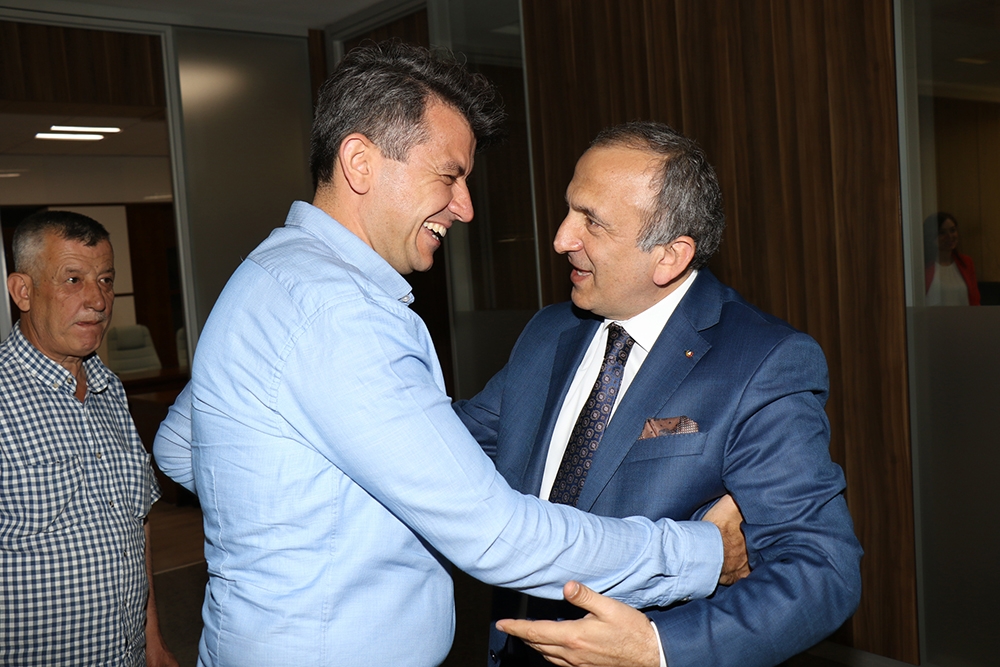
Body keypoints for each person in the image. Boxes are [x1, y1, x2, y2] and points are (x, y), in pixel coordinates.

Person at [152, 42, 748, 667]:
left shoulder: (267, 274)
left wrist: (318, 506)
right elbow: (497, 535)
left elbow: (180, 445)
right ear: (360, 162)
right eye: (449, 175)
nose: (465, 207)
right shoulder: (340, 313)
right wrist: (702, 554)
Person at [454, 121, 864, 667]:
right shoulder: (549, 332)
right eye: (569, 209)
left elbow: (821, 570)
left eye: (592, 221)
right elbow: (451, 447)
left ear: (669, 256)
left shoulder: (762, 362)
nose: (561, 238)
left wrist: (657, 647)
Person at [0, 210, 177, 666]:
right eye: (73, 280)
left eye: (105, 280)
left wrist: (152, 640)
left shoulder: (110, 390)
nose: (98, 300)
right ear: (22, 291)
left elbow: (133, 525)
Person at [924, 211, 980, 306]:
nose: (949, 236)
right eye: (942, 233)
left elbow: (975, 301)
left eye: (953, 230)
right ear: (931, 236)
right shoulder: (924, 266)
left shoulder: (966, 262)